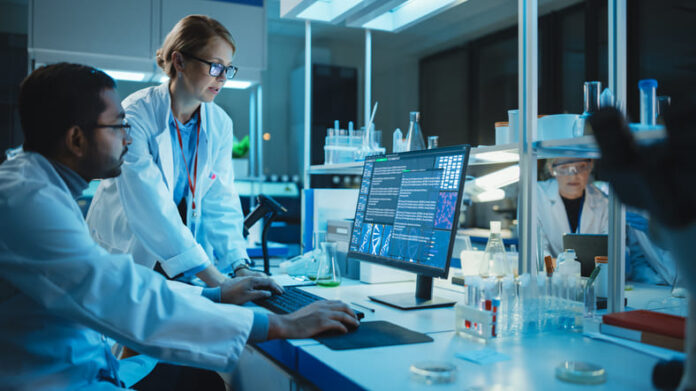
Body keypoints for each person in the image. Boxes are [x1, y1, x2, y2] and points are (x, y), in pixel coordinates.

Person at [0, 63, 359, 390]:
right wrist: (283, 325)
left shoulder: (40, 188)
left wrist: (216, 294)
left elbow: (124, 282)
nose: (128, 137)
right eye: (118, 125)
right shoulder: (27, 204)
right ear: (77, 139)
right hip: (56, 380)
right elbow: (122, 296)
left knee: (203, 382)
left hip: (77, 367)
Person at [87, 15, 261, 288]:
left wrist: (239, 266)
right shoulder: (137, 114)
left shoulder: (220, 124)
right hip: (125, 256)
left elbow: (220, 200)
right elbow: (150, 207)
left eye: (229, 68)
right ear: (179, 61)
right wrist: (216, 280)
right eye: (215, 67)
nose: (224, 78)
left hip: (180, 266)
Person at [536, 158, 609, 258]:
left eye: (581, 167)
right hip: (550, 273)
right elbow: (537, 254)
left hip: (595, 273)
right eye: (564, 167)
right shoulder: (536, 195)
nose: (573, 176)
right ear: (551, 168)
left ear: (590, 166)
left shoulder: (604, 202)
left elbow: (611, 253)